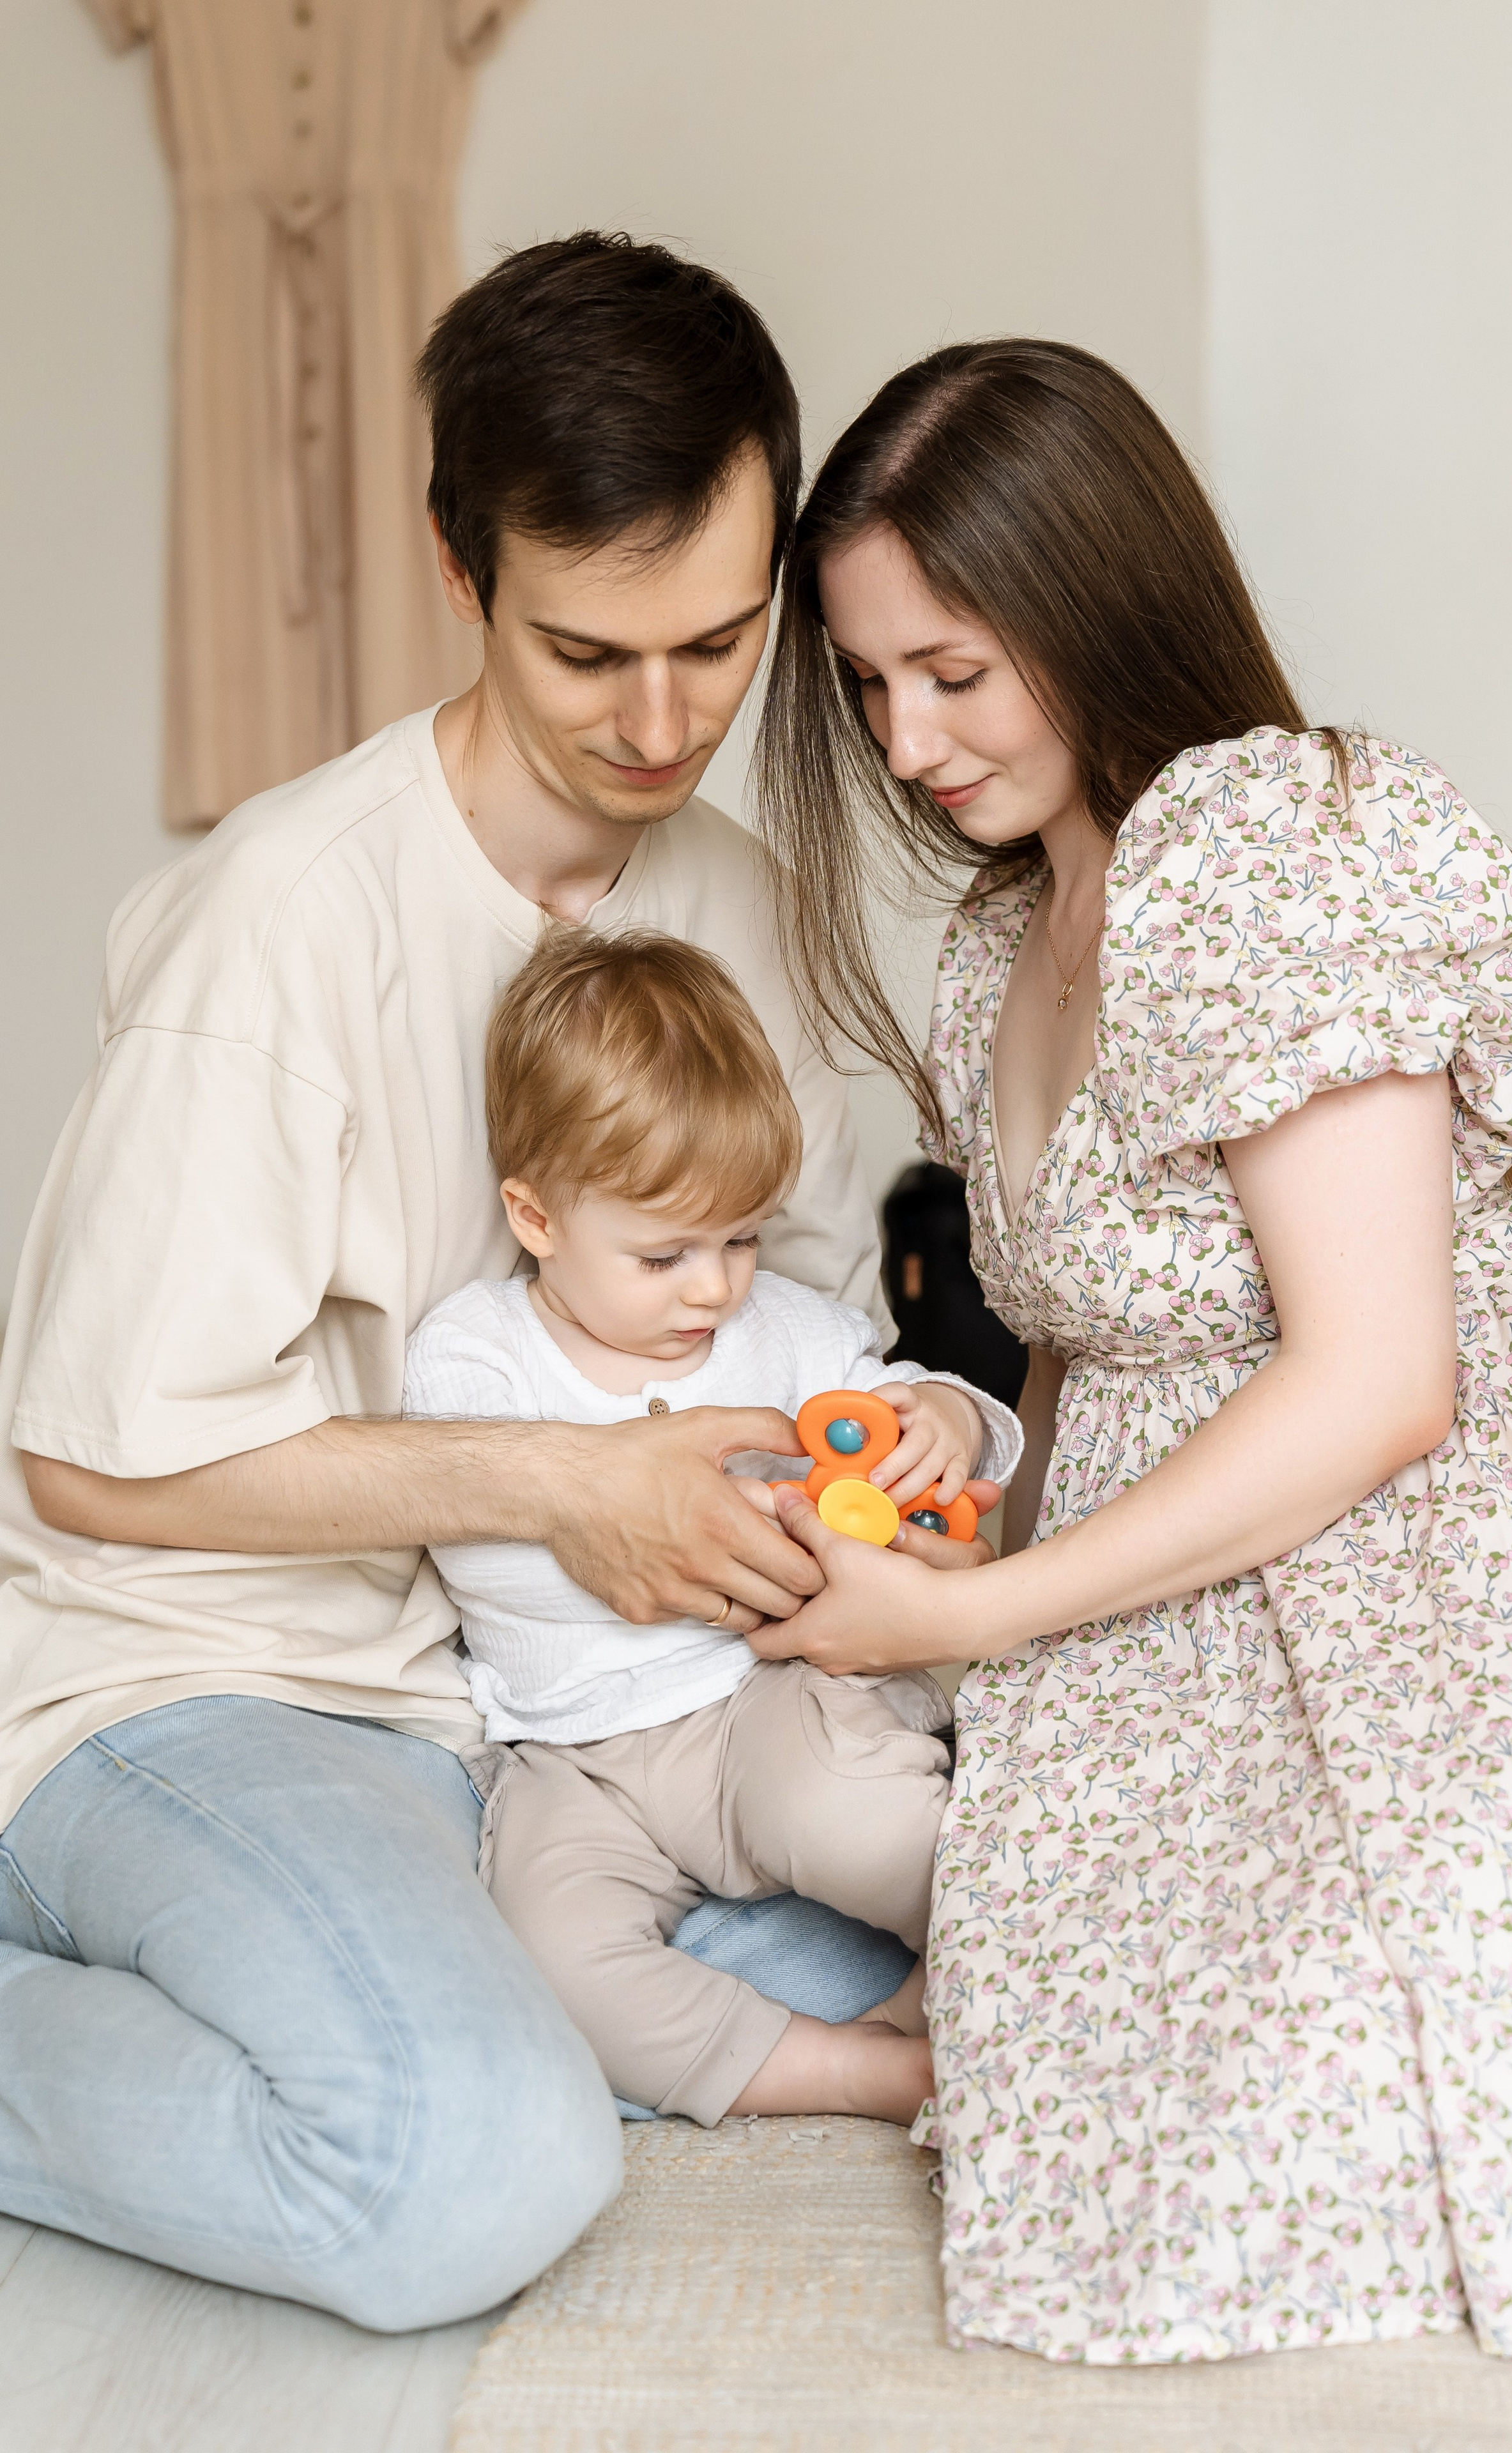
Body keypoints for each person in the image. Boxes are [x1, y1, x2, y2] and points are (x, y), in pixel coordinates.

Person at [0, 234, 918, 2333]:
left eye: (722, 640)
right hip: (214, 1688)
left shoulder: (736, 909)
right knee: (471, 2166)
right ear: (458, 566)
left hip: (565, 1717)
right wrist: (560, 1488)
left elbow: (792, 1333)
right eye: (592, 653)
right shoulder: (278, 930)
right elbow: (89, 1473)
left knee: (984, 1916)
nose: (666, 721)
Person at [748, 338, 1512, 2366]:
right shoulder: (1000, 942)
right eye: (872, 686)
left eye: (953, 675)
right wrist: (984, 1538)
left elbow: (1380, 1379)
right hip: (1166, 1597)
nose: (906, 741)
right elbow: (1072, 1337)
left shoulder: (1264, 846)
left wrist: (982, 1629)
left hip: (1427, 1557)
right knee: (1084, 2125)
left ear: (1093, 601)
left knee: (1321, 2107)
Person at [404, 929, 1020, 2127]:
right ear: (535, 1217)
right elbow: (481, 1544)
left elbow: (925, 1419)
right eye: (665, 1252)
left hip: (765, 1704)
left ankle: (1035, 1984)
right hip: (575, 1758)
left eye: (743, 1236)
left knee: (890, 1835)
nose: (715, 1288)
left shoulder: (785, 1331)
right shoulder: (475, 1352)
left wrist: (948, 1415)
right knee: (550, 1964)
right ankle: (859, 2069)